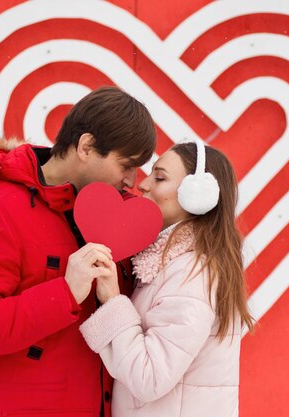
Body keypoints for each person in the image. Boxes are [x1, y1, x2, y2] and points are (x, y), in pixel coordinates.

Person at [0, 86, 156, 417]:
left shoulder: (117, 215)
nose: (131, 180)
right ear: (86, 147)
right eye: (126, 165)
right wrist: (64, 293)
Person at [79, 141, 255, 417]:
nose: (144, 184)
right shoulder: (170, 263)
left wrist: (112, 300)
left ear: (196, 196)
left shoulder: (192, 274)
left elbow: (149, 377)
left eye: (159, 177)